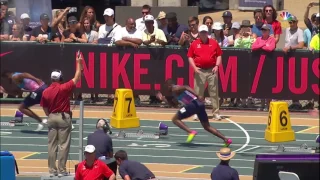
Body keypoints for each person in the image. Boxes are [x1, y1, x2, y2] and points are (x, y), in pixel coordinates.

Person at [40, 53, 83, 177]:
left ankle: (52, 170)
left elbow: (44, 107)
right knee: (63, 145)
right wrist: (78, 62)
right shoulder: (64, 88)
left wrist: (49, 115)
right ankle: (62, 169)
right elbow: (77, 77)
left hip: (52, 117)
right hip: (63, 117)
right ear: (60, 78)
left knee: (52, 145)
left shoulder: (46, 91)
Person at [156, 79, 232, 145]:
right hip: (199, 105)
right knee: (207, 127)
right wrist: (163, 99)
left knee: (175, 119)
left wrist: (198, 95)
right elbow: (175, 105)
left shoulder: (175, 88)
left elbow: (186, 87)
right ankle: (226, 139)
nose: (166, 89)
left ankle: (190, 132)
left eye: (166, 87)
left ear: (169, 85)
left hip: (192, 104)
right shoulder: (175, 92)